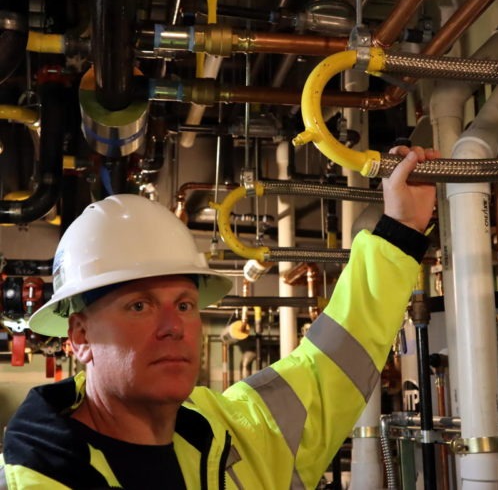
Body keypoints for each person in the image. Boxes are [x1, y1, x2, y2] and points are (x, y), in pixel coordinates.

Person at [0, 145, 439, 489]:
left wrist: (401, 229)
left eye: (185, 305)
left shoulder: (231, 432)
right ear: (79, 336)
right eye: (139, 305)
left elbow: (333, 366)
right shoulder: (38, 478)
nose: (174, 327)